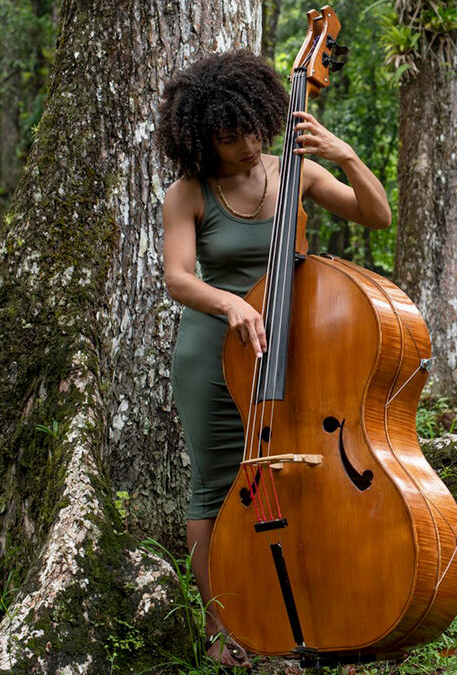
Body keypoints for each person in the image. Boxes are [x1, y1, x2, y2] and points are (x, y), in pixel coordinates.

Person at [155, 49, 390, 667]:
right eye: (230, 139)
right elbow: (178, 278)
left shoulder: (296, 172)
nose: (248, 146)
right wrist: (230, 304)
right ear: (202, 140)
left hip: (294, 348)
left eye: (254, 130)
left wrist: (344, 156)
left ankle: (298, 610)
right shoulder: (188, 193)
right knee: (218, 487)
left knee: (289, 474)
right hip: (215, 352)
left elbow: (377, 215)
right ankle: (220, 629)